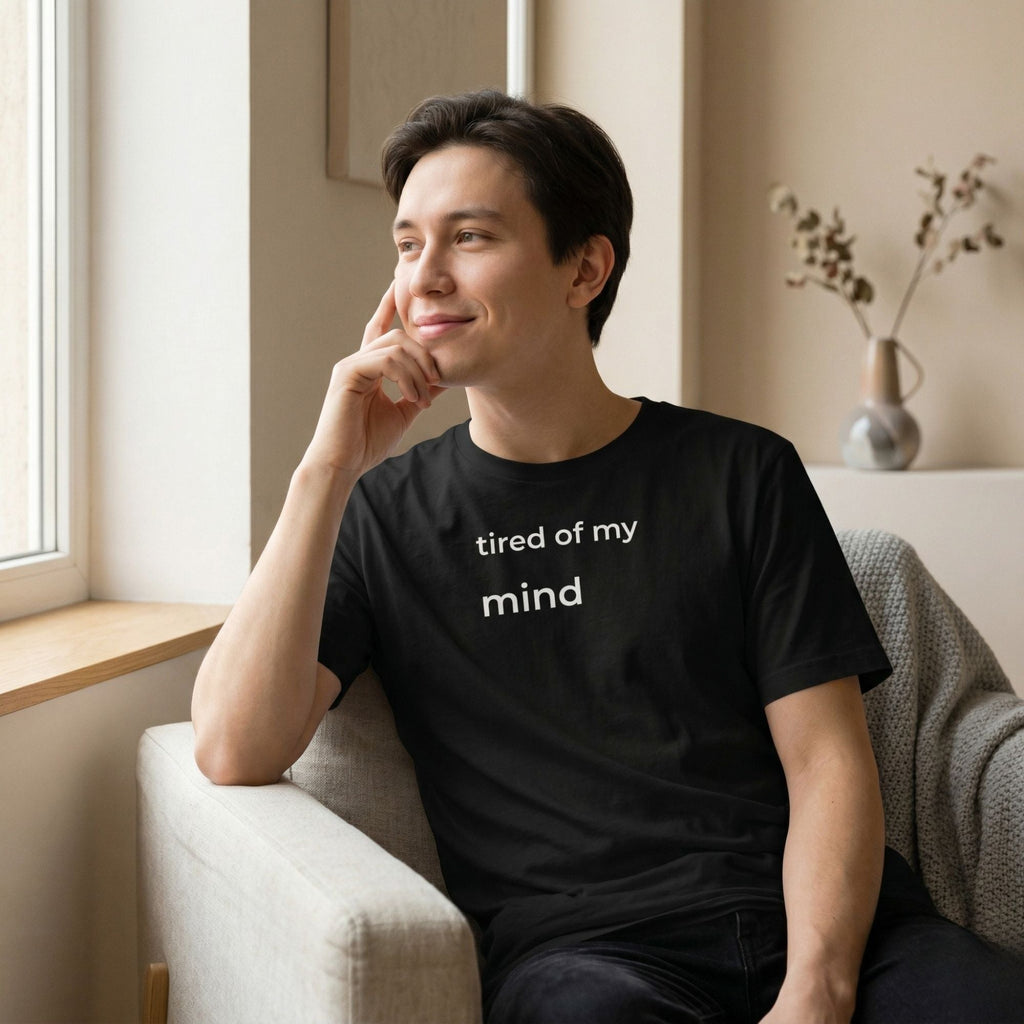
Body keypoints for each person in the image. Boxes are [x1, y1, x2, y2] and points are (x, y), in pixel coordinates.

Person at [191, 90, 1024, 1023]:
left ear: (585, 268)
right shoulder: (381, 515)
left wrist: (817, 991)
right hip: (588, 965)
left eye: (469, 237)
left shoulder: (741, 472)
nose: (424, 278)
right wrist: (326, 469)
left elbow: (827, 762)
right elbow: (231, 748)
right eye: (408, 244)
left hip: (833, 941)